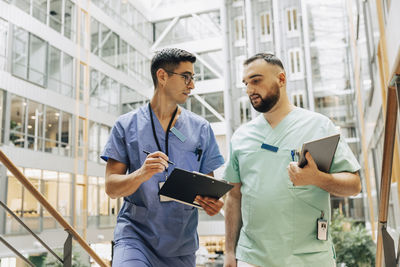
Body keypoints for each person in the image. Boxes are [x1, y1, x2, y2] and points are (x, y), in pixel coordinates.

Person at [223, 53, 361, 267]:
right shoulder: (241, 137)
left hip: (309, 257)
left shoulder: (319, 126)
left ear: (282, 79)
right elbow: (233, 196)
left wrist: (317, 178)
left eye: (256, 80)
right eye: (246, 83)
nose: (250, 90)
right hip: (253, 258)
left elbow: (354, 185)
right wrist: (229, 251)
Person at [101, 48, 225, 267]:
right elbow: (111, 187)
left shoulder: (201, 129)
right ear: (162, 76)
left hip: (180, 244)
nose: (192, 85)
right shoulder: (126, 125)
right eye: (186, 77)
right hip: (135, 237)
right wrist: (141, 174)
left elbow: (207, 188)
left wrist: (211, 203)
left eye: (192, 78)